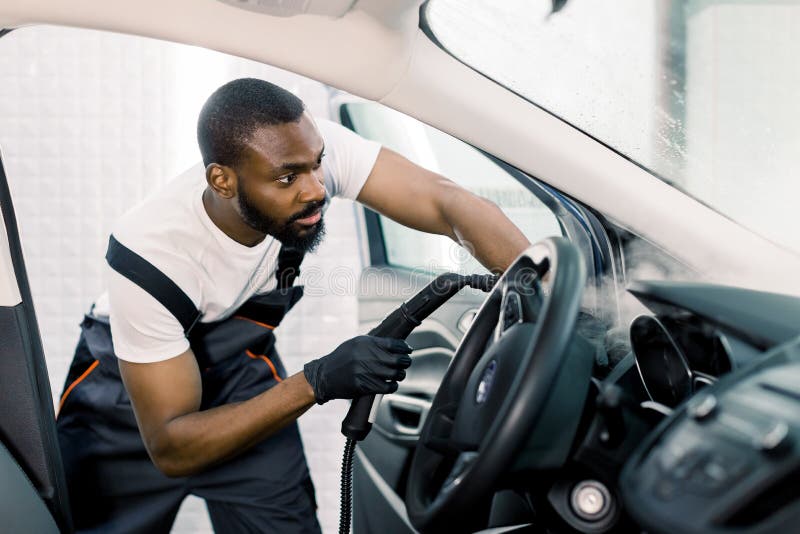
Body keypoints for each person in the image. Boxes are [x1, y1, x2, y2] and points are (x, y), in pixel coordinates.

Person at [55, 78, 530, 533]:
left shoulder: (304, 154)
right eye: (287, 179)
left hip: (239, 368)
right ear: (222, 181)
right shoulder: (151, 255)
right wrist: (317, 380)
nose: (316, 189)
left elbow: (446, 202)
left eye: (317, 165)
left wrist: (537, 291)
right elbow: (171, 446)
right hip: (128, 401)